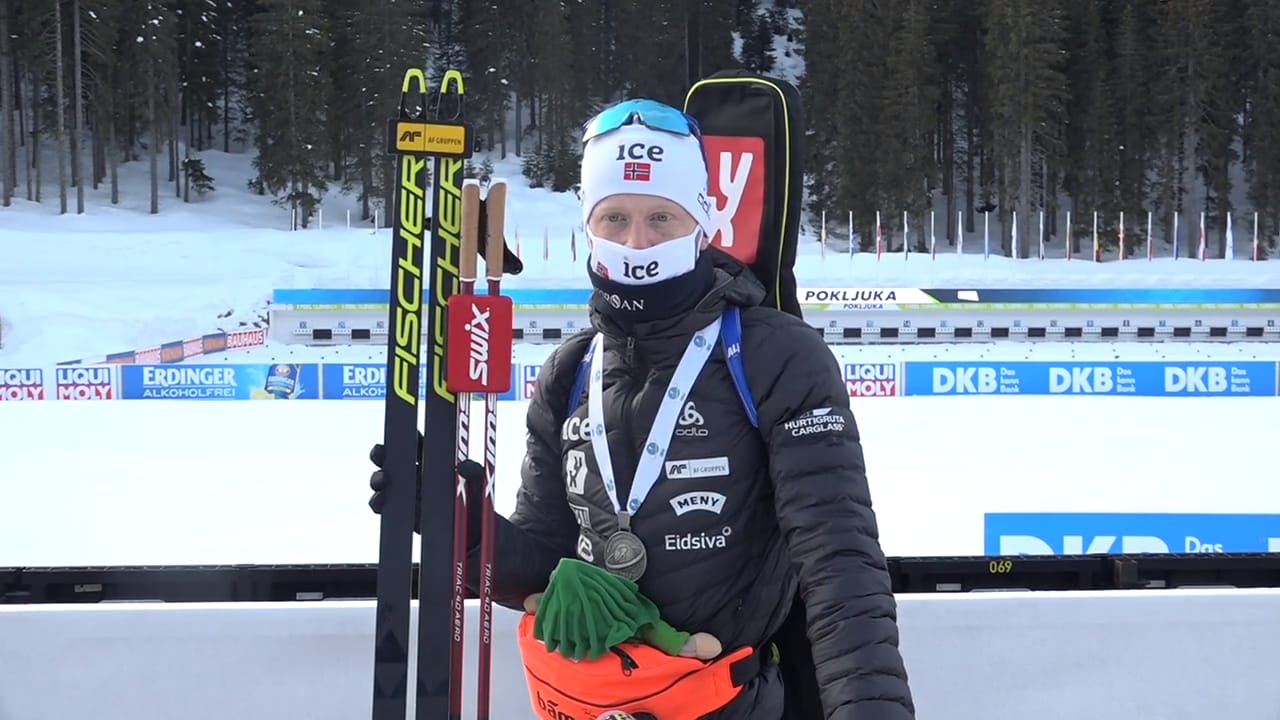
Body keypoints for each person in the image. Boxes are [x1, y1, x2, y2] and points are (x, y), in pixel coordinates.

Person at [368, 98, 915, 719]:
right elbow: (553, 573)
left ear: (703, 222)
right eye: (615, 218)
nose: (637, 241)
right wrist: (467, 533)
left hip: (731, 702)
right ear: (587, 227)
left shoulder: (774, 355)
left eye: (662, 217)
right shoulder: (570, 373)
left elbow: (839, 564)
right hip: (597, 701)